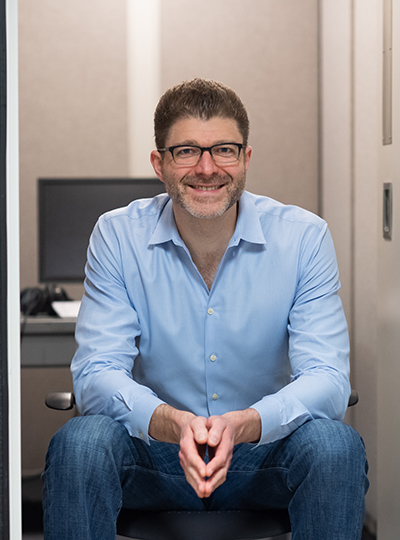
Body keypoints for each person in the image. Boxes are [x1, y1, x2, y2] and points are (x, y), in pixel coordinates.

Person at [42, 78, 369, 540]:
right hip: (156, 457)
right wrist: (172, 423)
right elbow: (96, 372)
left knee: (335, 445)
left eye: (224, 150)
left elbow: (329, 379)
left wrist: (248, 424)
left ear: (246, 159)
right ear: (159, 164)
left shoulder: (303, 238)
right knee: (81, 443)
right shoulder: (117, 236)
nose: (207, 167)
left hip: (263, 459)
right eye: (186, 151)